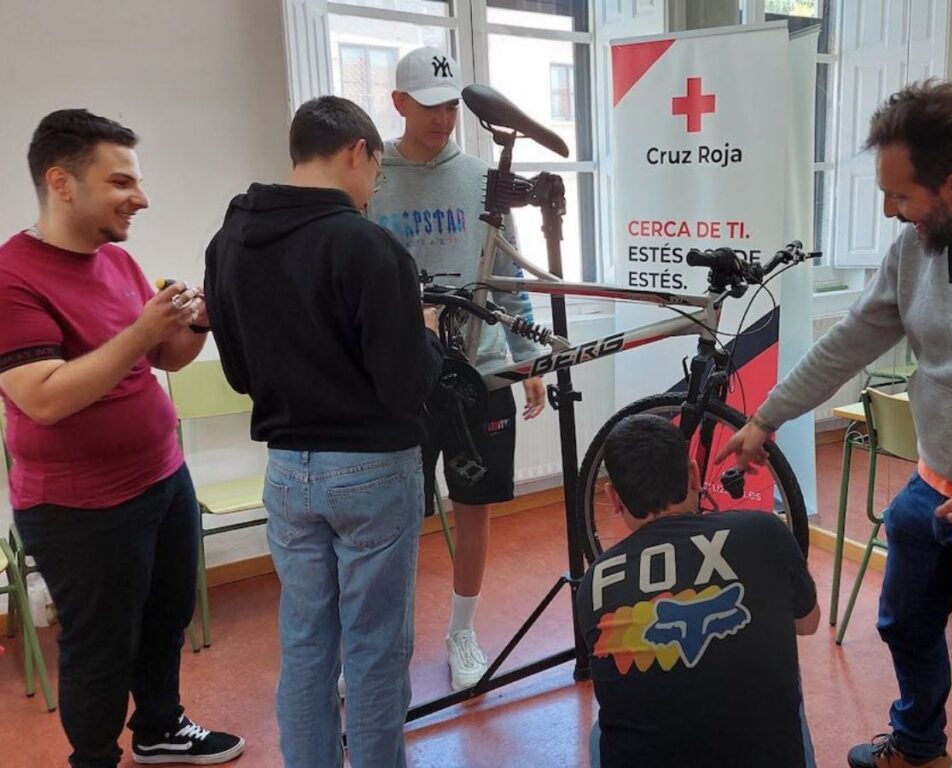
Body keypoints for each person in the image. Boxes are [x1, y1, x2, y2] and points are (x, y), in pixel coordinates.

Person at [720, 80, 952, 768]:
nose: (890, 213)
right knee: (904, 626)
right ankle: (920, 750)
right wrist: (766, 418)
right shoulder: (919, 246)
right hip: (931, 485)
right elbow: (849, 341)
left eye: (899, 196)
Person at [204, 95, 443, 768]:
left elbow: (241, 374)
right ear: (356, 152)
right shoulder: (369, 245)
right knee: (374, 646)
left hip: (286, 471)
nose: (375, 188)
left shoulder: (229, 242)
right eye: (377, 170)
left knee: (306, 641)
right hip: (370, 467)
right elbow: (405, 387)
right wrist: (425, 335)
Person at [0, 110, 244, 766]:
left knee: (167, 619)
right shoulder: (12, 277)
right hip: (79, 508)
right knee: (100, 647)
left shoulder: (117, 259)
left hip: (162, 478)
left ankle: (161, 728)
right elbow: (44, 397)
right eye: (121, 182)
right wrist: (141, 330)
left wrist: (197, 322)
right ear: (62, 182)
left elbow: (164, 361)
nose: (140, 197)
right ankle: (96, 758)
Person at [367, 45, 546, 693]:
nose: (443, 118)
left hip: (481, 370)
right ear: (398, 103)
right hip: (401, 379)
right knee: (393, 519)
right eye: (429, 105)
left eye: (450, 106)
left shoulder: (478, 178)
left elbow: (506, 270)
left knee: (475, 506)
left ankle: (463, 633)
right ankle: (386, 645)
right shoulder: (370, 175)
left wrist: (527, 360)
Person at [577, 414, 820, 767]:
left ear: (614, 497)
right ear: (693, 474)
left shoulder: (595, 582)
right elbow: (808, 623)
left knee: (602, 730)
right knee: (778, 656)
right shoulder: (764, 530)